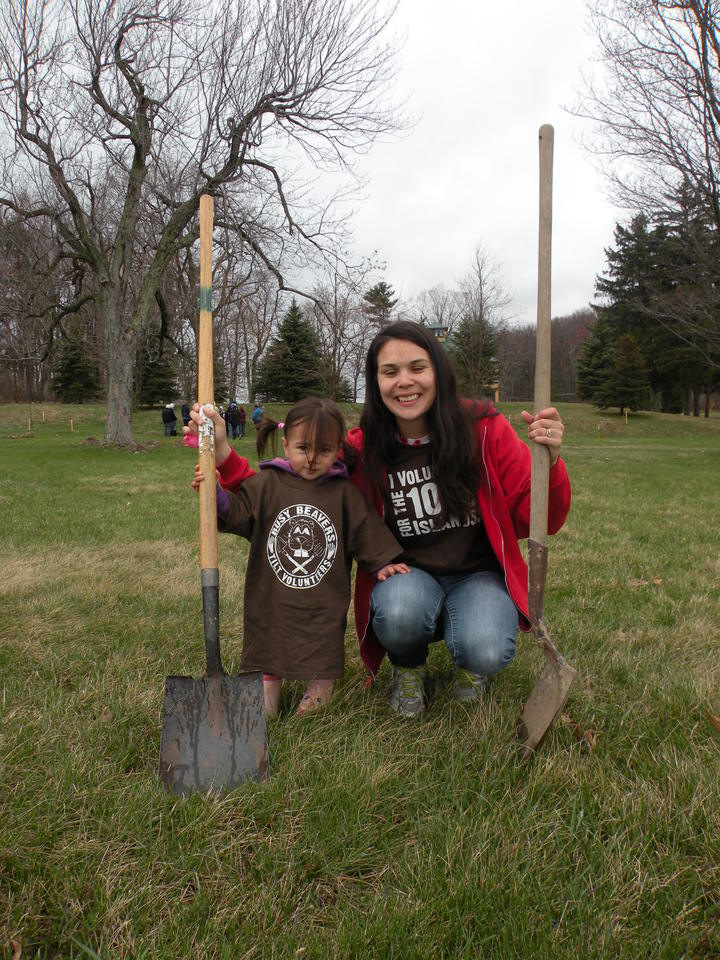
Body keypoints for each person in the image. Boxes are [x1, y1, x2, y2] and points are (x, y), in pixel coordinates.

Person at [189, 397, 409, 717]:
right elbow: (239, 512)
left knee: (322, 636)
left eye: (324, 450)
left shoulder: (344, 493)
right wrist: (216, 496)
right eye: (303, 448)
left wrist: (384, 560)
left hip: (323, 596)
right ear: (286, 442)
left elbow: (366, 529)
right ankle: (267, 687)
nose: (311, 459)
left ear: (338, 450)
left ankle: (319, 686)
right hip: (272, 593)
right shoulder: (267, 483)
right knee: (268, 637)